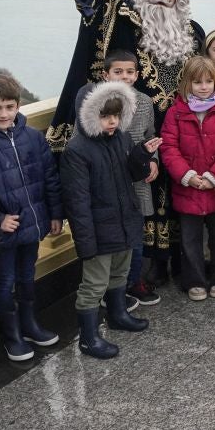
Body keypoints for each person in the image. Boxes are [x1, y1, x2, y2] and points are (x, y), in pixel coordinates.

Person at [48, 0, 205, 149]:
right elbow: (93, 0)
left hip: (178, 134)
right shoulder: (122, 15)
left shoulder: (193, 33)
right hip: (124, 130)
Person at [0, 73, 62, 362]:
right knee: (5, 282)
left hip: (31, 223)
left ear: (18, 106)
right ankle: (12, 335)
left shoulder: (32, 136)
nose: (4, 114)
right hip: (3, 230)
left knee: (27, 277)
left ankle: (30, 324)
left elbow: (49, 177)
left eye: (9, 107)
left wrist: (56, 213)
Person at [61, 82, 150, 359]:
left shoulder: (121, 138)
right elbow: (77, 202)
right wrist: (85, 243)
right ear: (88, 114)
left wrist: (141, 155)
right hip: (98, 230)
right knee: (93, 285)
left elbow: (132, 176)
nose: (112, 121)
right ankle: (88, 338)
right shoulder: (77, 150)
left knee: (119, 274)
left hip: (124, 221)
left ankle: (117, 314)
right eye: (104, 115)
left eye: (116, 115)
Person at [78, 51, 164, 307]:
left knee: (135, 232)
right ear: (106, 74)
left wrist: (154, 160)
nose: (124, 77)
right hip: (108, 177)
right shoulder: (97, 102)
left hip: (138, 176)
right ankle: (111, 289)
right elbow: (82, 132)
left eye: (129, 72)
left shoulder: (145, 102)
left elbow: (151, 136)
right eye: (118, 72)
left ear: (138, 75)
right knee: (114, 232)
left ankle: (133, 281)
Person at [159, 56, 215, 300]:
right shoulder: (176, 113)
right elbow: (169, 147)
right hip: (188, 188)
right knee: (190, 240)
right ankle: (193, 280)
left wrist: (214, 176)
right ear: (187, 84)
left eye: (208, 82)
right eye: (197, 82)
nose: (204, 87)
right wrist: (188, 175)